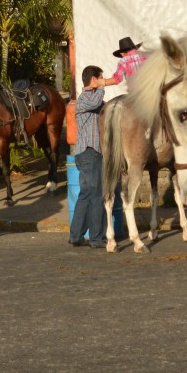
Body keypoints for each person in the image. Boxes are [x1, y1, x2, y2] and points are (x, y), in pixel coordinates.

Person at [69, 65, 107, 248]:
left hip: (88, 154)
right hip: (89, 153)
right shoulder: (85, 99)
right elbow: (94, 103)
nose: (103, 81)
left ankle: (76, 236)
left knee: (86, 194)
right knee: (96, 194)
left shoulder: (97, 100)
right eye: (101, 78)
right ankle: (96, 238)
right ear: (93, 80)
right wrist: (102, 86)